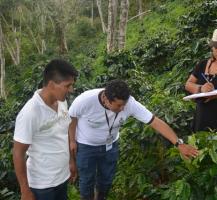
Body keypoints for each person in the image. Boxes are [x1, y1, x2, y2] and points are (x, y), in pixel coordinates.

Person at [68, 79, 199, 200]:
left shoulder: (129, 103)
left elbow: (155, 122)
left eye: (124, 105)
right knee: (87, 180)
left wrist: (178, 143)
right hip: (86, 146)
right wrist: (72, 141)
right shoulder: (85, 100)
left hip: (110, 146)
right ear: (106, 100)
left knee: (106, 180)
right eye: (119, 105)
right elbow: (72, 118)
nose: (123, 109)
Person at [13, 59, 78, 200]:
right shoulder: (30, 112)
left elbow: (65, 132)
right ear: (51, 84)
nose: (71, 90)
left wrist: (71, 161)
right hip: (42, 185)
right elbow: (18, 153)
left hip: (62, 177)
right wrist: (25, 191)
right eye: (68, 85)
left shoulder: (62, 102)